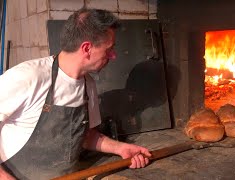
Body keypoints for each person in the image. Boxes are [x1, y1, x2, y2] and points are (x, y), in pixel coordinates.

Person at [0, 8, 151, 180]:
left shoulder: (89, 85)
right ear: (86, 48)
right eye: (109, 49)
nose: (113, 55)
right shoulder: (29, 77)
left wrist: (121, 148)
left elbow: (84, 136)